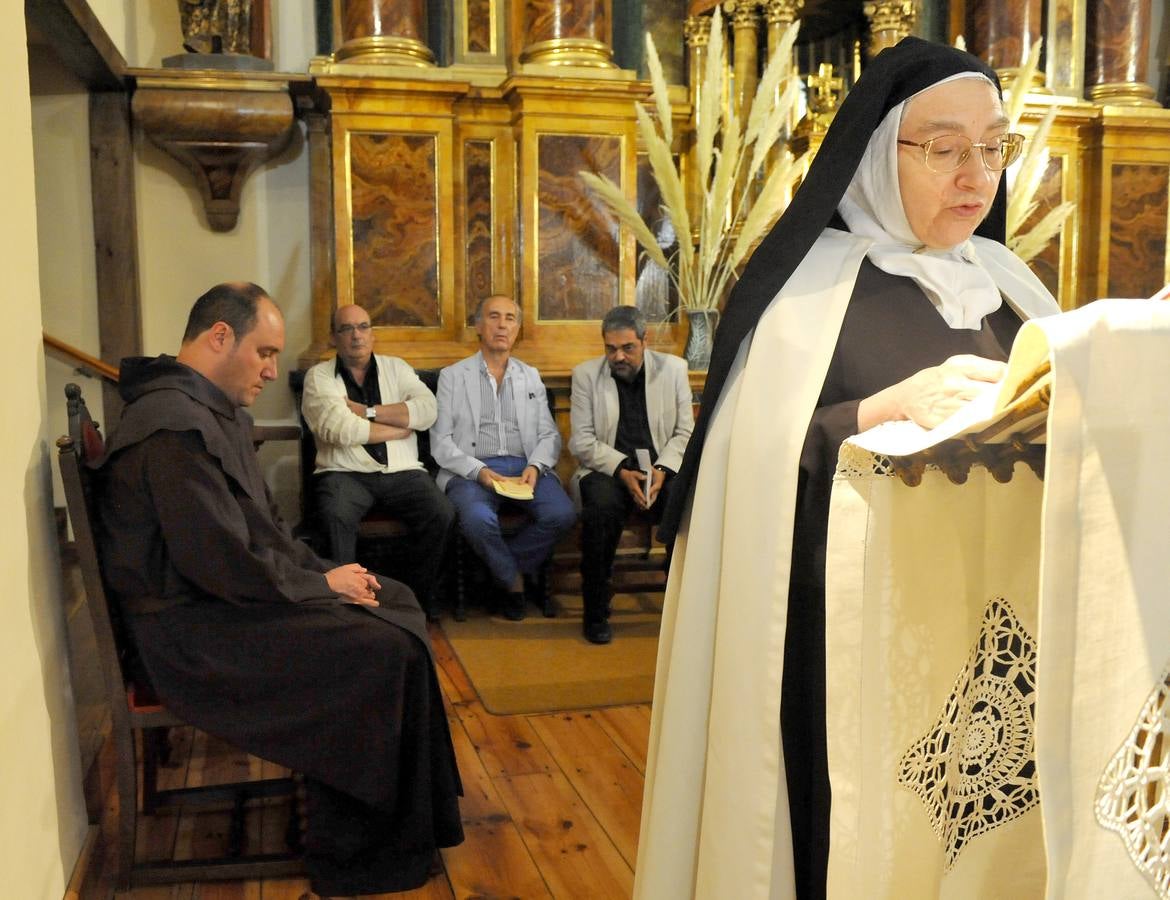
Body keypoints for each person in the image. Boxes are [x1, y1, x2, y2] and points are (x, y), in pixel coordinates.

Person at [635, 39, 1062, 899]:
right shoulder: (805, 294)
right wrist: (874, 415)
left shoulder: (1014, 290)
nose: (974, 173)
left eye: (993, 147)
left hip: (1002, 640)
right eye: (943, 148)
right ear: (876, 153)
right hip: (850, 647)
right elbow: (744, 479)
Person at [96, 282, 463, 896]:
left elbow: (260, 530)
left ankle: (413, 820)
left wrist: (319, 574)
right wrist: (320, 585)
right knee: (382, 649)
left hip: (220, 602)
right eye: (264, 352)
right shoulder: (172, 428)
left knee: (393, 597)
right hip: (189, 635)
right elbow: (222, 562)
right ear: (220, 337)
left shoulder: (206, 412)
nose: (272, 370)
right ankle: (361, 848)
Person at [301, 303, 456, 618]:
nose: (356, 336)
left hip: (402, 472)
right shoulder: (319, 377)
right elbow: (338, 428)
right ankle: (348, 606)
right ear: (334, 337)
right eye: (346, 329)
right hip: (344, 473)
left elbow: (428, 411)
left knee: (442, 514)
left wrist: (367, 411)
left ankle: (414, 601)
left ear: (372, 334)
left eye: (363, 327)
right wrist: (396, 427)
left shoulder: (396, 368)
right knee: (334, 517)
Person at [430, 295, 576, 620]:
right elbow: (440, 441)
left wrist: (536, 467)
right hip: (472, 469)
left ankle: (499, 573)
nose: (502, 324)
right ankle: (513, 583)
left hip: (523, 467)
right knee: (477, 520)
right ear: (479, 326)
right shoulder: (453, 376)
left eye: (510, 318)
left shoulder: (530, 376)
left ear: (517, 328)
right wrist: (478, 471)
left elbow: (549, 434)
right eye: (494, 317)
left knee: (562, 514)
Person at [568, 305, 693, 644]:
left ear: (644, 340)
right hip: (608, 468)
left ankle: (680, 606)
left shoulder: (673, 370)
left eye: (627, 348)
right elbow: (581, 440)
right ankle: (595, 611)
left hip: (661, 466)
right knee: (600, 511)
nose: (618, 356)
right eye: (611, 348)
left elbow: (685, 432)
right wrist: (623, 470)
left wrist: (663, 470)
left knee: (687, 503)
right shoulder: (585, 375)